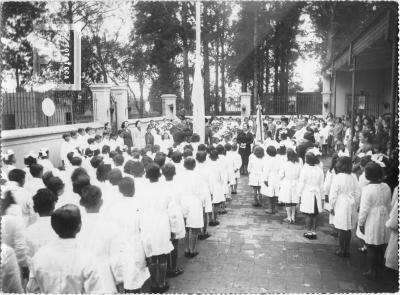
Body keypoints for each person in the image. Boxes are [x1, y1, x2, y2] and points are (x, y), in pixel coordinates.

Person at [26, 204, 117, 293]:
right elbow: (96, 291)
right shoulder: (87, 258)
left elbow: (32, 288)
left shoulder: (40, 255)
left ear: (53, 227)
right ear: (79, 227)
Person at [78, 185, 124, 292]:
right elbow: (116, 258)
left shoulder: (76, 225)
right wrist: (120, 279)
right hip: (104, 278)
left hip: (81, 277)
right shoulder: (109, 225)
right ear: (101, 202)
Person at [138, 163, 173, 293]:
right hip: (162, 222)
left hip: (147, 222)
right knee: (162, 253)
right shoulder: (165, 188)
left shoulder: (142, 189)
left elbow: (139, 208)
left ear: (147, 175)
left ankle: (153, 282)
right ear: (159, 174)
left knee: (151, 254)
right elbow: (170, 207)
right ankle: (161, 282)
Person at [358, 162, 391, 279]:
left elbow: (364, 209)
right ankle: (380, 266)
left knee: (371, 245)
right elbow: (389, 204)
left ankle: (371, 270)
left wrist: (361, 223)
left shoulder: (367, 189)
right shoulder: (386, 186)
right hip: (384, 216)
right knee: (382, 243)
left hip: (372, 217)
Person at [329, 157, 360, 258]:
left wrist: (331, 206)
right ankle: (346, 248)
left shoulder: (338, 177)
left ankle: (342, 249)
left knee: (342, 228)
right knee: (348, 229)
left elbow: (333, 194)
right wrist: (355, 203)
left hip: (341, 203)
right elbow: (357, 193)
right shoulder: (354, 177)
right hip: (351, 203)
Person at [161, 163, 185, 277]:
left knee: (166, 241)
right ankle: (173, 267)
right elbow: (181, 202)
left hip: (164, 216)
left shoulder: (161, 185)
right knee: (174, 242)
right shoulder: (178, 185)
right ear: (174, 173)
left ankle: (166, 267)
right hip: (175, 214)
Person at [298, 148, 324, 240]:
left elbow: (301, 183)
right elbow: (321, 185)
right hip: (316, 193)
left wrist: (299, 194)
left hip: (307, 193)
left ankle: (308, 231)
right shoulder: (320, 170)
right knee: (314, 214)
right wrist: (322, 196)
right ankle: (313, 230)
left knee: (308, 214)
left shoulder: (304, 170)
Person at [25, 188, 58, 258]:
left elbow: (28, 257)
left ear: (35, 208)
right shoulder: (60, 229)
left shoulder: (29, 231)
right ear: (53, 206)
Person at [278, 149, 302, 223]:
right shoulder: (299, 164)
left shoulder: (285, 164)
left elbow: (281, 175)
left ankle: (289, 217)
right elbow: (301, 175)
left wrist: (281, 179)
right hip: (296, 183)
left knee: (288, 200)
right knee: (294, 199)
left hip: (287, 183)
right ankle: (293, 217)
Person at [261, 145, 284, 214]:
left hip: (270, 177)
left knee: (270, 194)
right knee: (275, 194)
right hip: (277, 177)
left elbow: (266, 171)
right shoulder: (279, 159)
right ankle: (274, 208)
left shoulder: (268, 160)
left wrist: (265, 179)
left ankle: (270, 208)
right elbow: (281, 169)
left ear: (267, 153)